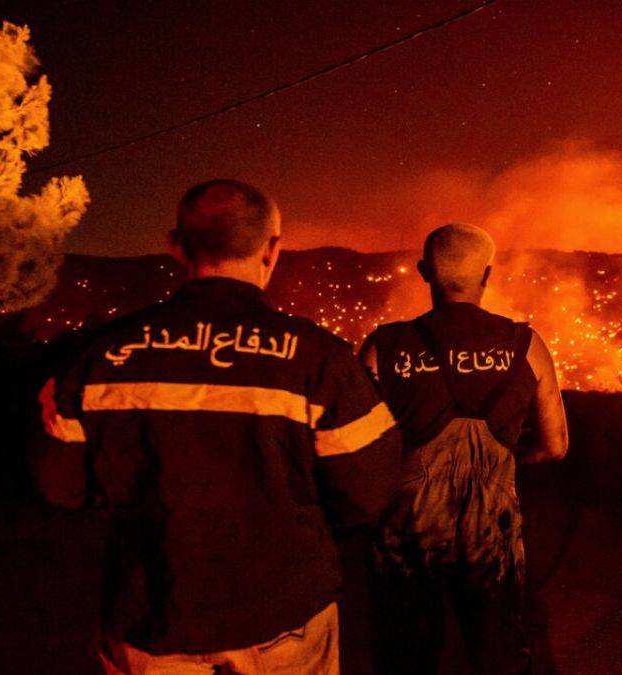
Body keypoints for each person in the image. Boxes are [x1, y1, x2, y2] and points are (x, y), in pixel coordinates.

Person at [33, 179, 400, 674]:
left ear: (176, 246)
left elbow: (61, 487)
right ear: (272, 251)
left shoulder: (100, 357)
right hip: (282, 616)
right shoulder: (319, 361)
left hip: (152, 618)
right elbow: (367, 492)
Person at [359, 223, 568, 674]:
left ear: (423, 272)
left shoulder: (384, 346)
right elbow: (556, 446)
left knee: (407, 654)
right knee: (498, 652)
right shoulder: (526, 346)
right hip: (491, 533)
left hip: (407, 533)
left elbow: (359, 447)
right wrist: (504, 465)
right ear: (487, 274)